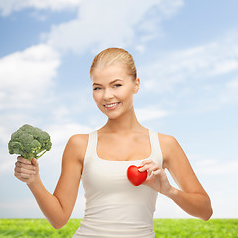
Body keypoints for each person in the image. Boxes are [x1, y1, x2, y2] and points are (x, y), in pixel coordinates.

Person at [14, 47, 213, 237]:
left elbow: (205, 211)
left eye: (116, 85)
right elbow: (59, 219)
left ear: (136, 84)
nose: (107, 95)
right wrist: (34, 182)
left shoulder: (165, 144)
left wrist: (169, 190)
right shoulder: (80, 144)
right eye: (98, 87)